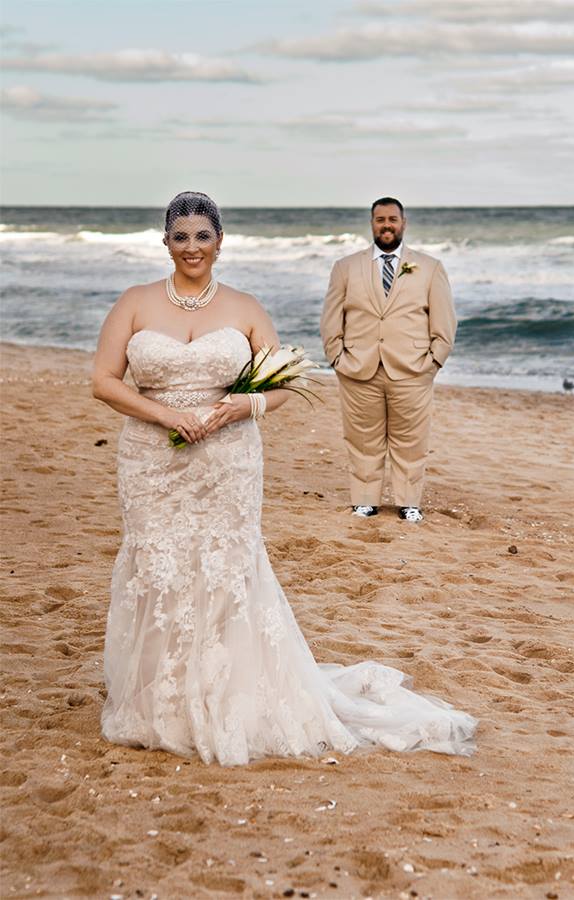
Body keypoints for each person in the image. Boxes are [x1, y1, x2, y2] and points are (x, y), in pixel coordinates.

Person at [93, 191, 476, 765]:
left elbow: (279, 385)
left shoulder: (246, 307)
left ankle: (225, 691)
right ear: (165, 243)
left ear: (220, 242)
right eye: (180, 237)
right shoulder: (135, 302)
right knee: (157, 563)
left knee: (226, 568)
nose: (192, 248)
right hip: (152, 460)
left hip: (228, 460)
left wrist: (237, 409)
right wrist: (166, 414)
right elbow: (104, 380)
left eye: (203, 237)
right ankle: (159, 695)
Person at [320, 197, 457, 522]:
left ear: (403, 223)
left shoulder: (429, 267)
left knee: (411, 439)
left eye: (392, 219)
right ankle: (365, 500)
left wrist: (432, 363)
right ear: (371, 224)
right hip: (358, 368)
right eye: (380, 219)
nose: (386, 225)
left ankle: (409, 501)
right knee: (361, 438)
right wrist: (337, 358)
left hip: (411, 370)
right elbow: (330, 318)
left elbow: (445, 322)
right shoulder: (346, 267)